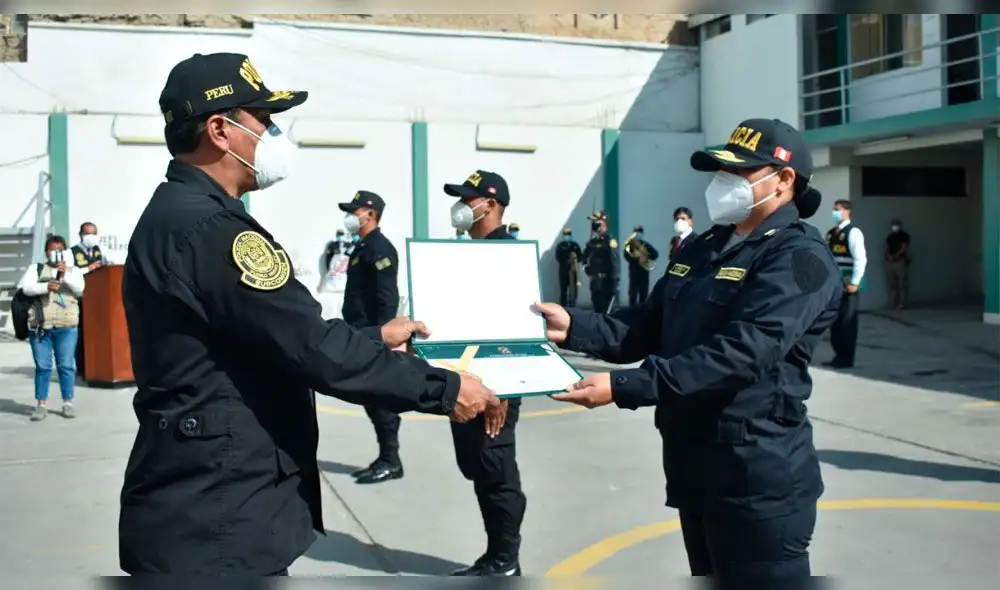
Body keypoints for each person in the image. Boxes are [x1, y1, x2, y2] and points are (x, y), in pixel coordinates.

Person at [119, 52, 499, 576]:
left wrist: (372, 336)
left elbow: (265, 339)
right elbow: (312, 350)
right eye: (264, 121)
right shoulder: (213, 232)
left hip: (203, 499)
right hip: (218, 517)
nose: (274, 134)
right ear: (219, 130)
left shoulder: (183, 215)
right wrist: (447, 388)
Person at [536, 118, 842, 587]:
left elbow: (741, 353)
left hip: (756, 481)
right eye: (720, 172)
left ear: (783, 181)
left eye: (738, 173)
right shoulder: (705, 246)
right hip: (694, 471)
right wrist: (575, 326)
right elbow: (646, 324)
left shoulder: (799, 258)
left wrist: (625, 386)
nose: (722, 184)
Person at [444, 169, 526, 576]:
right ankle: (494, 553)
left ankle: (505, 560)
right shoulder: (470, 251)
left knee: (496, 474)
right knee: (478, 467)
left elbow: (515, 333)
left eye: (468, 198)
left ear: (490, 204)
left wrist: (504, 393)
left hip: (494, 389)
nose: (461, 206)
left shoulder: (505, 255)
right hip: (467, 381)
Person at [338, 190, 406, 485]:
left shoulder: (379, 248)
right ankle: (386, 457)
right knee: (370, 398)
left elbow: (386, 297)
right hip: (360, 331)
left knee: (379, 398)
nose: (350, 217)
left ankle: (391, 461)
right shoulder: (364, 245)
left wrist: (384, 337)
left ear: (370, 214)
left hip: (373, 335)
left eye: (355, 212)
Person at [16, 234, 85, 421]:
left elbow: (80, 289)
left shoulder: (73, 271)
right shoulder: (36, 269)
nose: (55, 253)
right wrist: (46, 286)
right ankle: (41, 404)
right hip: (40, 325)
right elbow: (25, 288)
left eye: (59, 249)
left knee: (66, 365)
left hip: (66, 325)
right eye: (52, 249)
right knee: (43, 366)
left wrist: (65, 274)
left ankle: (67, 402)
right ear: (46, 252)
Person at [825, 199, 867, 369]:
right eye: (834, 209)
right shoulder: (832, 233)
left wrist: (855, 282)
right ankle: (838, 355)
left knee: (847, 322)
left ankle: (846, 358)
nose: (835, 213)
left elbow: (860, 259)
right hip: (835, 283)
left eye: (838, 209)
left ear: (848, 211)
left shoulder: (853, 232)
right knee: (835, 323)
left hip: (849, 283)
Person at [71, 221, 105, 379]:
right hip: (79, 298)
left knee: (95, 335)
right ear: (81, 235)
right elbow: (70, 274)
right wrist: (87, 269)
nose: (91, 237)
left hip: (96, 299)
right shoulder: (72, 252)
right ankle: (82, 368)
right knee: (81, 335)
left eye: (94, 233)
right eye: (87, 233)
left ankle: (95, 366)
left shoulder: (98, 250)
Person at [583, 211, 619, 313]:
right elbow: (584, 258)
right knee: (597, 311)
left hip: (606, 282)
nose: (594, 225)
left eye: (597, 222)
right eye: (593, 222)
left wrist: (614, 282)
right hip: (595, 282)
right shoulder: (591, 242)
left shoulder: (609, 240)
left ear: (604, 223)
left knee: (608, 312)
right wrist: (587, 271)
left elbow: (614, 262)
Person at [624, 224, 659, 308]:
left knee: (643, 295)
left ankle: (642, 314)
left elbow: (655, 254)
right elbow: (626, 255)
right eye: (636, 232)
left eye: (639, 232)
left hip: (644, 273)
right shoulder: (630, 245)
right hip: (633, 272)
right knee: (632, 295)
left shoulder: (645, 245)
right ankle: (631, 313)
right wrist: (637, 259)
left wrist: (646, 256)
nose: (637, 234)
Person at [884, 218, 910, 309]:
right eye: (893, 225)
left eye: (896, 225)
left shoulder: (904, 236)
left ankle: (902, 303)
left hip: (900, 261)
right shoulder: (890, 236)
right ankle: (893, 303)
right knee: (892, 284)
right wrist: (888, 256)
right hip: (890, 262)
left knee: (902, 283)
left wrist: (894, 256)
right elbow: (887, 248)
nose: (894, 227)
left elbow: (904, 248)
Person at [555, 227, 582, 307]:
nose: (567, 236)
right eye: (566, 234)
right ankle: (563, 306)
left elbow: (580, 257)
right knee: (564, 289)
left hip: (573, 270)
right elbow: (558, 257)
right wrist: (566, 261)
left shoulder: (575, 245)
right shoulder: (560, 246)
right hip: (564, 270)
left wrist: (576, 258)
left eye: (569, 234)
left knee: (573, 289)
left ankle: (573, 304)